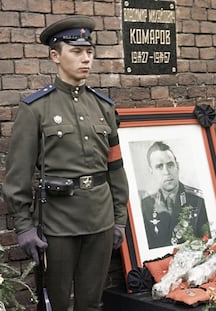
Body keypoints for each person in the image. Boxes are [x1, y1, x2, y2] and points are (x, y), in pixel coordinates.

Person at [2, 16, 129, 311]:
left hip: (100, 217)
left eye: (89, 52)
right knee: (56, 304)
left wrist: (118, 217)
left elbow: (116, 167)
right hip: (56, 222)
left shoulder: (103, 108)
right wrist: (24, 227)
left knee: (91, 302)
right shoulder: (35, 109)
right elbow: (17, 175)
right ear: (55, 56)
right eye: (76, 52)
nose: (86, 59)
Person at [141, 141, 210, 249]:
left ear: (177, 166)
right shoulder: (145, 206)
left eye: (170, 165)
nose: (166, 172)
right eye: (159, 166)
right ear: (151, 171)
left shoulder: (199, 200)